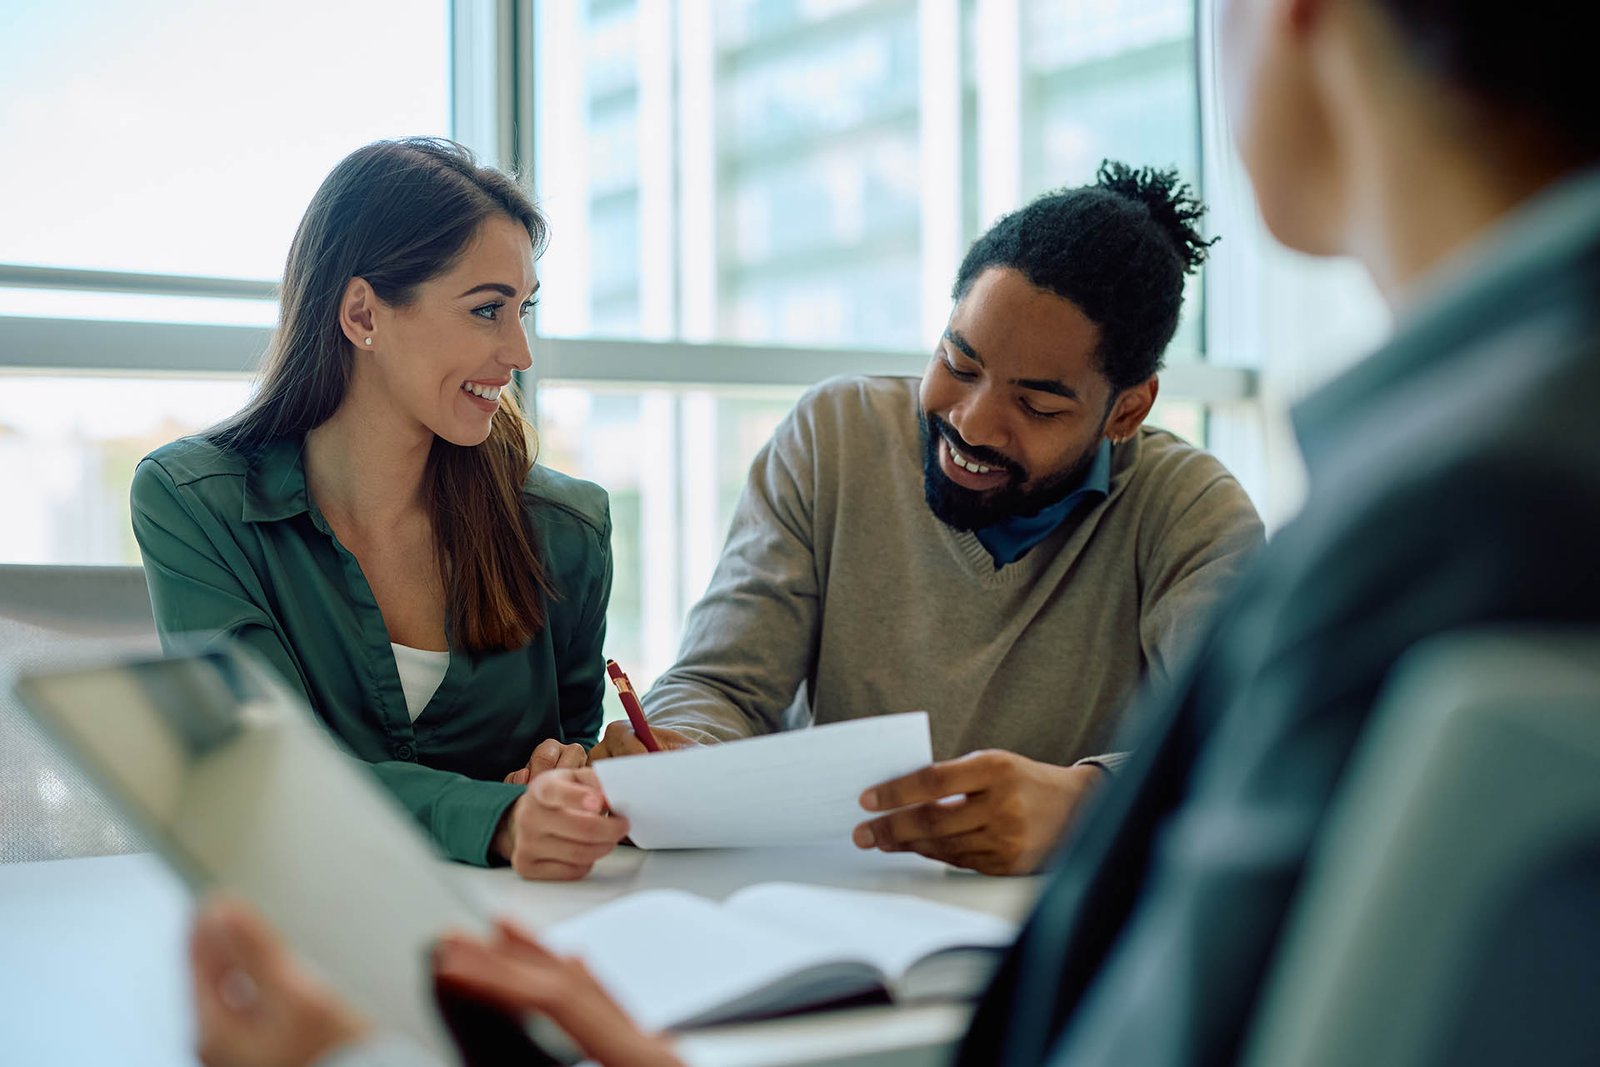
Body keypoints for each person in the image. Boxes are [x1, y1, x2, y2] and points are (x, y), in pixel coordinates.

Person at [591, 163, 1265, 876]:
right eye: (959, 361)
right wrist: (679, 751)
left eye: (1036, 406)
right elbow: (722, 684)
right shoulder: (834, 436)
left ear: (1126, 410)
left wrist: (1082, 802)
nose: (972, 423)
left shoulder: (1188, 509)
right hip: (831, 896)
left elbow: (1253, 735)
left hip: (1039, 935)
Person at [132, 138, 629, 880]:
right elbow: (273, 767)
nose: (520, 351)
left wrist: (570, 769)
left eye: (524, 309)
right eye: (488, 309)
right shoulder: (195, 505)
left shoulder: (567, 529)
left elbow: (572, 743)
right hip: (301, 936)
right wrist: (496, 818)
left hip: (532, 935)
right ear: (363, 313)